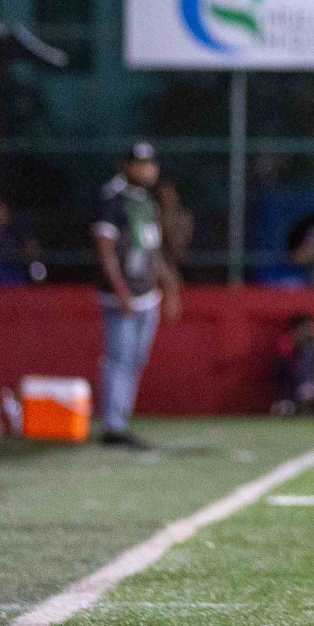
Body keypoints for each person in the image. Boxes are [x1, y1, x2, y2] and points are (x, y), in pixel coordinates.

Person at [91, 141, 181, 448]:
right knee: (119, 360)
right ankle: (113, 427)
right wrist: (120, 290)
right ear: (127, 166)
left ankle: (120, 421)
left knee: (135, 360)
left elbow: (152, 251)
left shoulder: (144, 201)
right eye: (140, 164)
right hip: (123, 295)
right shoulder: (112, 199)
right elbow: (105, 250)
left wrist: (168, 285)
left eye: (150, 164)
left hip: (147, 294)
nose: (147, 170)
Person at [0, 197, 43, 285]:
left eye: (4, 210)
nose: (2, 214)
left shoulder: (18, 233)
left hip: (16, 282)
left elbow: (34, 256)